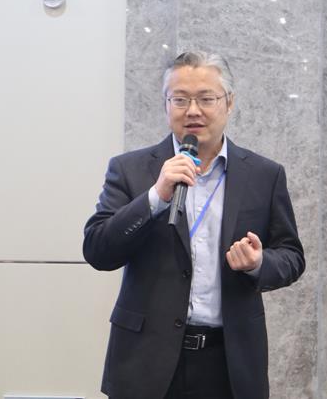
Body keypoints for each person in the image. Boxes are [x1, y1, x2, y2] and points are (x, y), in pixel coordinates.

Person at [83, 51, 305, 399]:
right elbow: (98, 249)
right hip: (146, 362)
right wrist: (155, 197)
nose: (193, 111)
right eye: (180, 99)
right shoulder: (130, 169)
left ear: (229, 103)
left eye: (206, 99)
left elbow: (292, 256)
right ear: (165, 104)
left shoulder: (264, 175)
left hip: (229, 363)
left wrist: (258, 262)